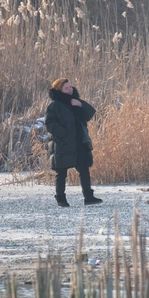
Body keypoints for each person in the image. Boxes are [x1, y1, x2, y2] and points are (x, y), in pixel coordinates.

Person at [45, 78, 103, 207]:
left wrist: (80, 105)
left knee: (84, 169)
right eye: (66, 88)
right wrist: (63, 135)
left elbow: (90, 114)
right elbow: (50, 124)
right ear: (59, 90)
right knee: (61, 173)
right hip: (63, 144)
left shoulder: (75, 101)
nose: (70, 90)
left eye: (70, 87)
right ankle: (61, 199)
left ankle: (89, 197)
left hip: (79, 142)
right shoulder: (54, 106)